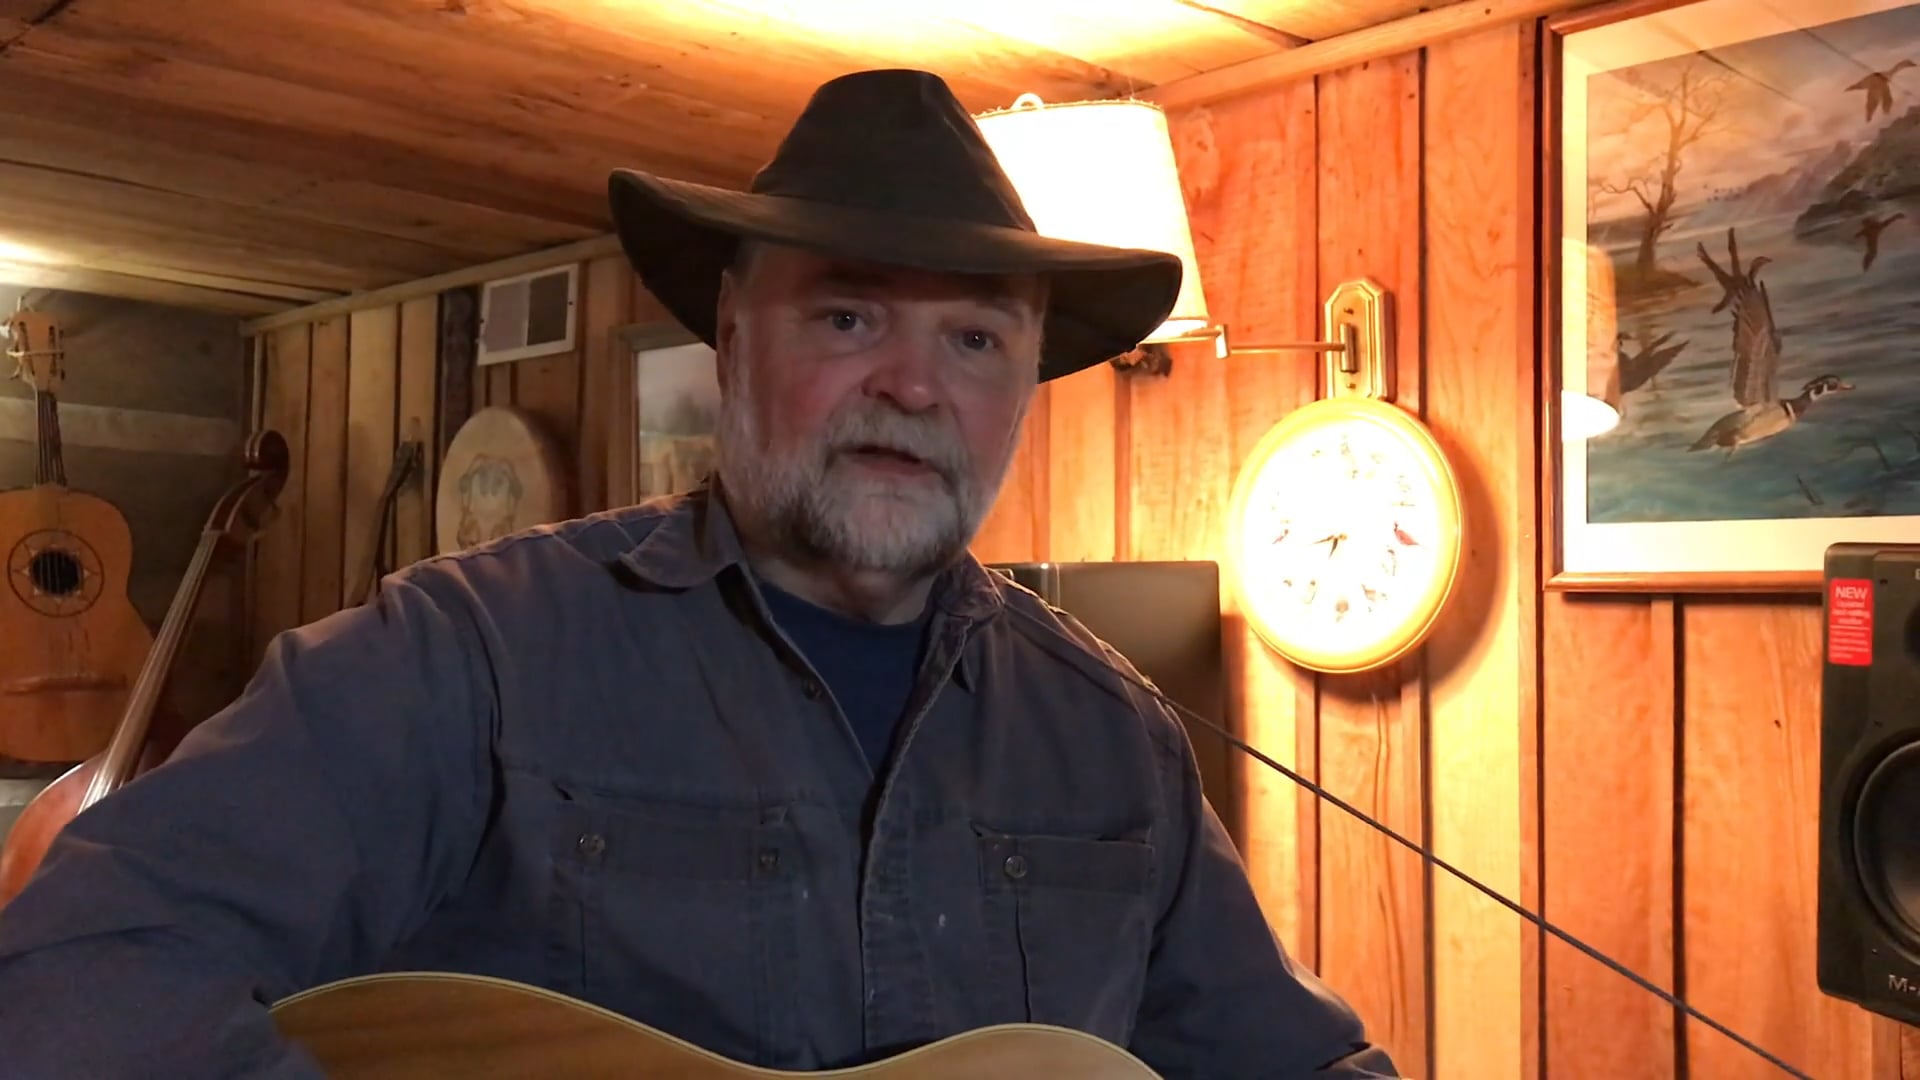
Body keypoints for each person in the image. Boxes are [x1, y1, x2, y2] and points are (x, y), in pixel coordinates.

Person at [0, 69, 1398, 1078]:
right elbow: (75, 965)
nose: (913, 382)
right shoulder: (472, 654)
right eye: (849, 314)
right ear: (731, 344)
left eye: (975, 339)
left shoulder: (1116, 741)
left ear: (1025, 384)